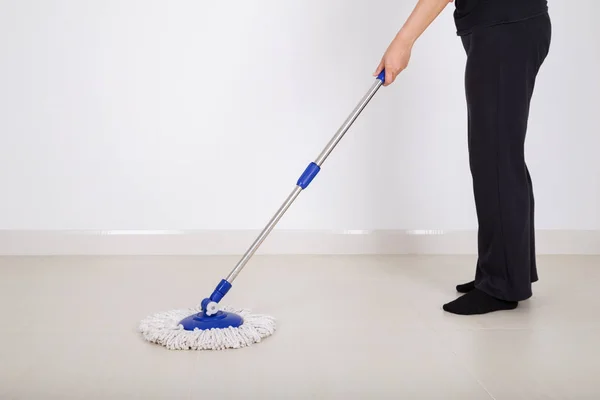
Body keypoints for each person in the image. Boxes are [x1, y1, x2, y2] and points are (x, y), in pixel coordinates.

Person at [375, 0, 551, 315]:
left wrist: (403, 41)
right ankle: (507, 272)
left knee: (495, 159)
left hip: (504, 30)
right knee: (500, 157)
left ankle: (501, 284)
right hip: (506, 27)